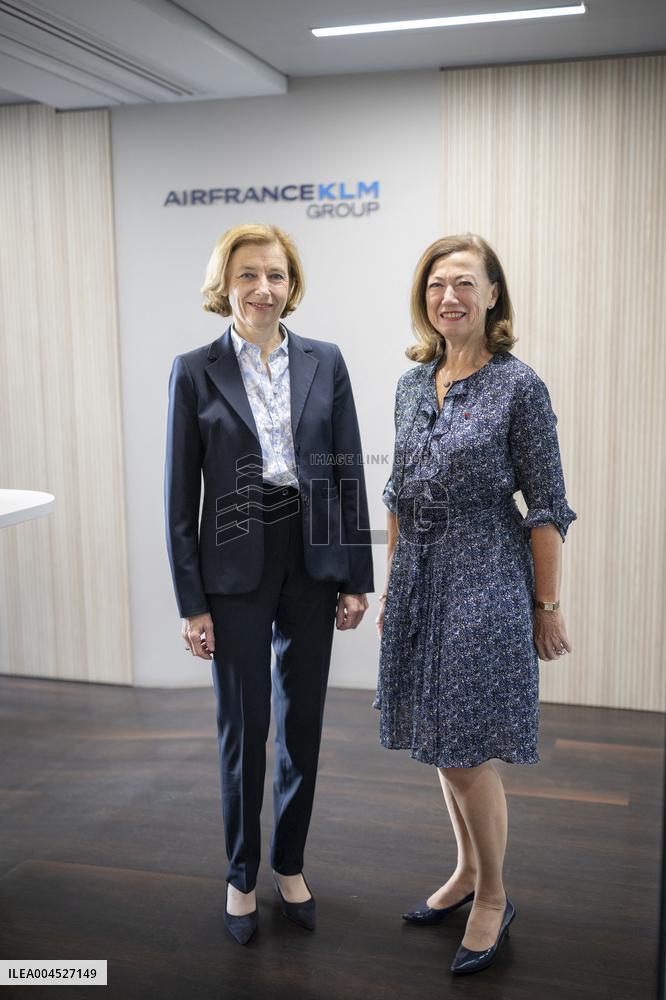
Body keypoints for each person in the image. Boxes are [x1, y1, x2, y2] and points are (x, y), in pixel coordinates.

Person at [165, 223, 373, 945]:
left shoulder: (326, 360)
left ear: (293, 285)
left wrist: (354, 575)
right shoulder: (194, 371)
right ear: (225, 284)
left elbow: (348, 469)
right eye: (249, 274)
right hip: (232, 558)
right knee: (245, 728)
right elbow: (178, 497)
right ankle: (240, 874)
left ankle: (289, 863)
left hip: (311, 557)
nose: (263, 289)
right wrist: (192, 601)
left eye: (277, 275)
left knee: (303, 725)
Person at [375, 234, 576, 975]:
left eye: (464, 282)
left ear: (493, 295)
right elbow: (397, 494)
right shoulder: (410, 384)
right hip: (423, 581)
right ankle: (464, 872)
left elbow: (547, 507)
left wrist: (545, 604)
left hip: (486, 580)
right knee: (439, 738)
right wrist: (396, 584)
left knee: (464, 750)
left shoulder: (519, 387)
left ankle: (493, 895)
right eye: (435, 284)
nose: (448, 296)